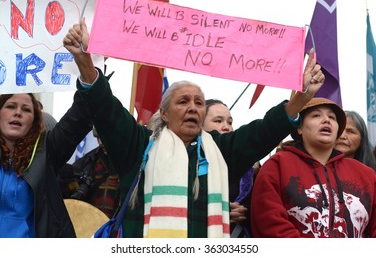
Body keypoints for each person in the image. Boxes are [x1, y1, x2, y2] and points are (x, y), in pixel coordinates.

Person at [63, 18, 324, 238]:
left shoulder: (221, 150)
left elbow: (265, 131)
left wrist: (301, 98)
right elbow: (107, 111)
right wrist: (85, 62)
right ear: (164, 113)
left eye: (199, 103)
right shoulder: (139, 145)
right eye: (183, 101)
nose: (193, 108)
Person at [250, 98, 376, 238]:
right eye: (316, 115)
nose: (326, 120)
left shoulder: (367, 175)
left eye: (332, 117)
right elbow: (269, 222)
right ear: (299, 128)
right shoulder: (277, 165)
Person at [0, 91, 93, 237]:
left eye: (26, 109)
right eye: (11, 106)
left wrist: (90, 82)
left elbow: (78, 118)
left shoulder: (46, 152)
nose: (18, 113)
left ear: (34, 121)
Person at [203, 98, 255, 237]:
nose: (226, 127)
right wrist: (218, 211)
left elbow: (261, 204)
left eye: (230, 122)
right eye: (218, 121)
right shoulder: (188, 161)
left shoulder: (251, 167)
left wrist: (245, 211)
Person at [58, 126, 120, 218]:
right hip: (90, 227)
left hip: (119, 229)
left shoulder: (130, 164)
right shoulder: (87, 162)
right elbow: (65, 195)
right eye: (98, 138)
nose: (100, 143)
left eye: (104, 137)